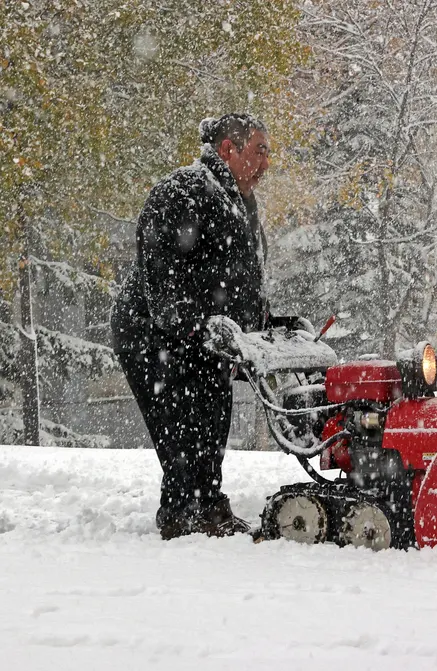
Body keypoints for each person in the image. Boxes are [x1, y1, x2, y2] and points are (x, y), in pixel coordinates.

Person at [111, 113, 307, 540]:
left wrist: (269, 325)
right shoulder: (180, 193)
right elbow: (163, 288)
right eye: (259, 151)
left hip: (209, 336)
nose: (266, 163)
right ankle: (182, 517)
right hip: (151, 334)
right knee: (179, 423)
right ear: (227, 150)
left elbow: (240, 282)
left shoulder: (242, 202)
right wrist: (201, 326)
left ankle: (209, 508)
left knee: (212, 420)